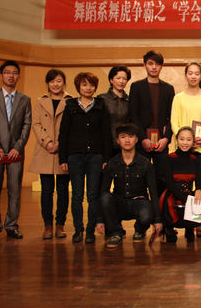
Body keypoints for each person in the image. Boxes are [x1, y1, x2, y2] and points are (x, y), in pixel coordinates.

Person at [58, 72, 112, 243]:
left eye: (91, 85)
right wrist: (63, 159)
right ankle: (78, 230)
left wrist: (106, 158)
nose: (88, 88)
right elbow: (63, 134)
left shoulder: (101, 105)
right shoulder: (70, 105)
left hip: (96, 157)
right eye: (84, 85)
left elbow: (106, 134)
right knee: (77, 195)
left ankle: (90, 231)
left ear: (95, 87)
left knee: (93, 195)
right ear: (78, 87)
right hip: (75, 157)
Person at [0, 60, 32, 241]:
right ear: (1, 75)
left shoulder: (25, 99)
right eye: (7, 72)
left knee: (15, 191)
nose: (11, 76)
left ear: (19, 76)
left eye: (15, 73)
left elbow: (27, 125)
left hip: (15, 153)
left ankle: (11, 225)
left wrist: (17, 147)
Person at [170, 62, 201, 237]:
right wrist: (186, 141)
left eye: (197, 73)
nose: (194, 76)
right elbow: (174, 121)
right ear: (186, 75)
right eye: (190, 73)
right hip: (184, 147)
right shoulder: (178, 98)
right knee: (183, 185)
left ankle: (197, 221)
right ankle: (184, 221)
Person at [100, 123, 163, 247]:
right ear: (118, 141)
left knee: (146, 213)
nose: (127, 140)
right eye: (123, 137)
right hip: (119, 203)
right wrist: (100, 220)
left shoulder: (145, 163)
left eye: (130, 136)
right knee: (105, 197)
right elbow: (104, 190)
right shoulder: (112, 163)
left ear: (136, 139)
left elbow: (153, 193)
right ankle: (117, 232)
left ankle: (140, 230)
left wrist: (157, 220)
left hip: (139, 202)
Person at [29, 69, 71, 239]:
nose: (55, 84)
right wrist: (47, 142)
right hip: (45, 150)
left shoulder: (70, 101)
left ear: (64, 83)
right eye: (52, 81)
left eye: (59, 81)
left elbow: (72, 126)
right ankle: (47, 225)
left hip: (63, 151)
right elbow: (36, 124)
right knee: (46, 191)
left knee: (62, 191)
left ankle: (60, 225)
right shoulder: (41, 101)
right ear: (48, 83)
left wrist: (60, 143)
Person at [129, 51, 175, 196]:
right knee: (141, 177)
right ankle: (144, 208)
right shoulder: (136, 86)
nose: (154, 67)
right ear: (144, 65)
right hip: (142, 141)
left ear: (162, 66)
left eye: (157, 64)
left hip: (161, 141)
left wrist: (166, 138)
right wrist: (142, 138)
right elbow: (133, 115)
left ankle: (160, 208)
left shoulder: (168, 88)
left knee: (162, 178)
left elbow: (172, 117)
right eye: (150, 63)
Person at [159, 127, 201, 243]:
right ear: (177, 140)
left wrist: (198, 190)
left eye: (188, 139)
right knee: (169, 204)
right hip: (172, 194)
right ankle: (169, 228)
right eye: (182, 139)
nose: (185, 143)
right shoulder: (168, 158)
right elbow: (170, 185)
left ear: (193, 142)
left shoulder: (195, 159)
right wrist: (187, 199)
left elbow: (199, 180)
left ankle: (190, 227)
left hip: (188, 192)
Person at [99, 65, 131, 156]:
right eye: (118, 78)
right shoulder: (102, 99)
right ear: (111, 80)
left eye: (124, 79)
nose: (121, 81)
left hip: (124, 144)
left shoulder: (129, 100)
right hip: (106, 144)